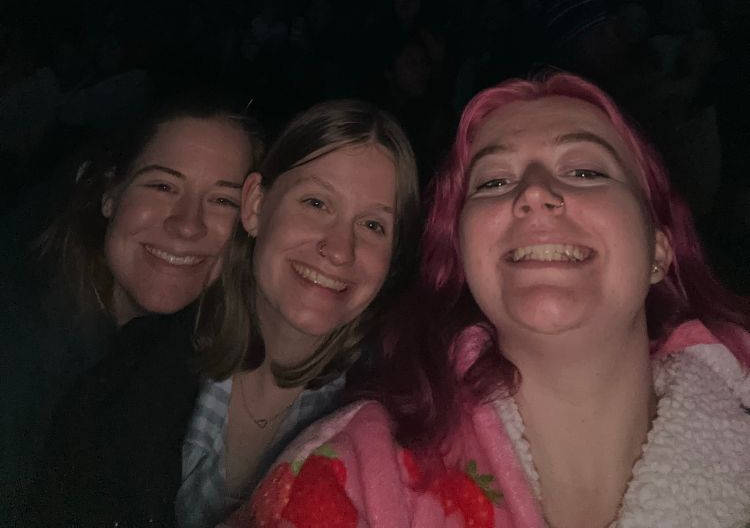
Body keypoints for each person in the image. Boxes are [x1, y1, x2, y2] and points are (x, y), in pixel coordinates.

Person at [240, 73, 750, 528]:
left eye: (585, 171)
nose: (533, 192)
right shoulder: (349, 475)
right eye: (495, 181)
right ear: (464, 256)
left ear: (659, 250)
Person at [176, 98, 420, 528]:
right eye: (316, 203)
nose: (339, 250)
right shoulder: (147, 363)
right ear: (255, 206)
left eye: (373, 226)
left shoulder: (392, 419)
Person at [26, 97, 263, 528]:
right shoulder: (22, 348)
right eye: (163, 186)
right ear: (110, 194)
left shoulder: (205, 365)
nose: (187, 224)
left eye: (222, 200)